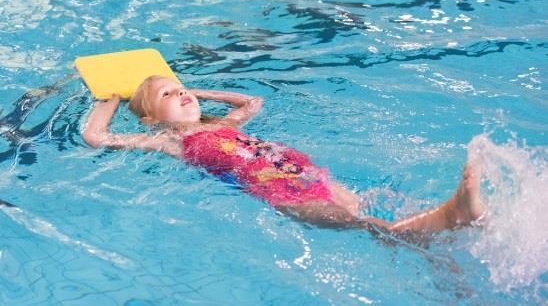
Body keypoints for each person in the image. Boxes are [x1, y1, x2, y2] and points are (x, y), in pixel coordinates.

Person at [82, 75, 486, 235]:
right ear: (152, 117)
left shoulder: (222, 125)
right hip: (282, 193)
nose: (182, 93)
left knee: (362, 207)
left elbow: (251, 101)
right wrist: (112, 97)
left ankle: (449, 224)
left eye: (180, 86)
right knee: (363, 223)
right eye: (168, 94)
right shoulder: (168, 140)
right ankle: (452, 215)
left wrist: (201, 93)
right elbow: (97, 137)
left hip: (304, 172)